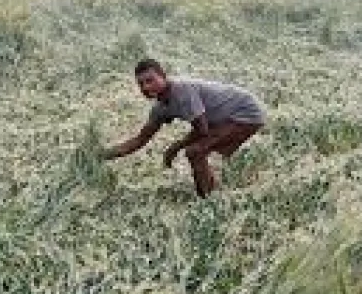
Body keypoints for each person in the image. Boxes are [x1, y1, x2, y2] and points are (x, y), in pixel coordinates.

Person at [102, 58, 267, 198]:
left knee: (195, 151)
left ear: (164, 76)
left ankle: (210, 201)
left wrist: (174, 147)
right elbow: (139, 140)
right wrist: (101, 155)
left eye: (150, 80)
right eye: (141, 84)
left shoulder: (181, 91)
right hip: (222, 119)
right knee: (198, 151)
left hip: (245, 113)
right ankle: (214, 192)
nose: (146, 87)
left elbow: (202, 130)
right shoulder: (160, 108)